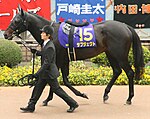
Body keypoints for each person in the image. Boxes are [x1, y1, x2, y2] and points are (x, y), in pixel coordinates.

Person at [20, 25, 78, 113]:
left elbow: (47, 62)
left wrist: (37, 74)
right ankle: (31, 106)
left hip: (49, 73)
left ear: (48, 35)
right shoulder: (46, 44)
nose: (41, 34)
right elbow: (45, 54)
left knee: (57, 90)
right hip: (45, 73)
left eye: (43, 33)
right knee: (37, 88)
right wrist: (37, 52)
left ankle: (73, 103)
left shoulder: (50, 46)